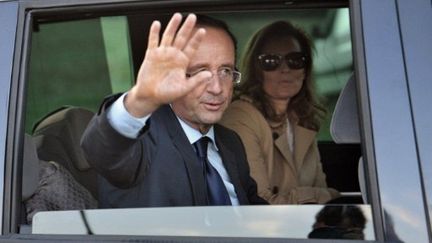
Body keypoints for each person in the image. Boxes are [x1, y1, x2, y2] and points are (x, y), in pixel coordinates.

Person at [80, 13, 267, 208]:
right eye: (200, 71)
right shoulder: (142, 141)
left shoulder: (230, 142)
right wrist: (141, 100)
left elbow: (251, 210)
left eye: (225, 71)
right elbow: (102, 152)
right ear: (171, 74)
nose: (217, 88)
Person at [219, 21, 339, 204]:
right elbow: (258, 204)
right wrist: (324, 196)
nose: (285, 69)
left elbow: (321, 196)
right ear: (257, 70)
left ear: (305, 70)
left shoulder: (301, 119)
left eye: (295, 60)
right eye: (271, 61)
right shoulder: (241, 118)